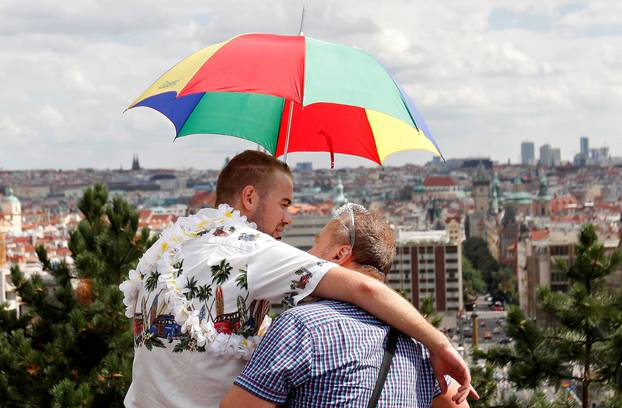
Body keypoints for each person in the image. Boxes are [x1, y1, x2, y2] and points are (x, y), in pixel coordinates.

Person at [120, 150, 476, 407]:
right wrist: (439, 344)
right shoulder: (251, 248)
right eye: (285, 203)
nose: (289, 219)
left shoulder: (170, 246)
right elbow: (365, 288)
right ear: (249, 197)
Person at [221, 206, 470, 407]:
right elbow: (457, 401)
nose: (309, 253)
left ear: (340, 255)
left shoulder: (301, 327)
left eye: (317, 245)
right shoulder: (421, 345)